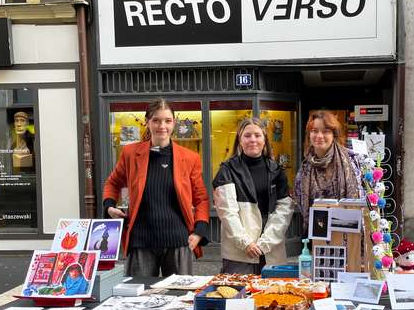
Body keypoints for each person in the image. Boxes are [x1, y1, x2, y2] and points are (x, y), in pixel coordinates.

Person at [103, 98, 209, 277]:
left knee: (178, 293)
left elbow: (201, 199)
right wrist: (109, 206)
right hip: (141, 240)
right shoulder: (130, 154)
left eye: (167, 121)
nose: (162, 126)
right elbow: (112, 183)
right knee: (137, 293)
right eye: (156, 120)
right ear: (147, 122)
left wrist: (199, 232)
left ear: (174, 123)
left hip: (178, 240)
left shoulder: (190, 158)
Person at [212, 118, 293, 274]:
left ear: (264, 139)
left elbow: (284, 210)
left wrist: (265, 243)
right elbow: (227, 213)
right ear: (240, 140)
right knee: (239, 289)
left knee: (272, 290)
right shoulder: (227, 170)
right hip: (239, 253)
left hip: (271, 250)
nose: (252, 140)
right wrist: (245, 243)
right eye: (247, 135)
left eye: (257, 135)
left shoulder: (276, 170)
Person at [293, 111, 363, 233]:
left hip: (349, 233)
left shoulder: (352, 160)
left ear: (333, 134)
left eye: (325, 131)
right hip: (318, 234)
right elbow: (301, 201)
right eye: (314, 131)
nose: (319, 136)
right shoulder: (305, 168)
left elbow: (364, 198)